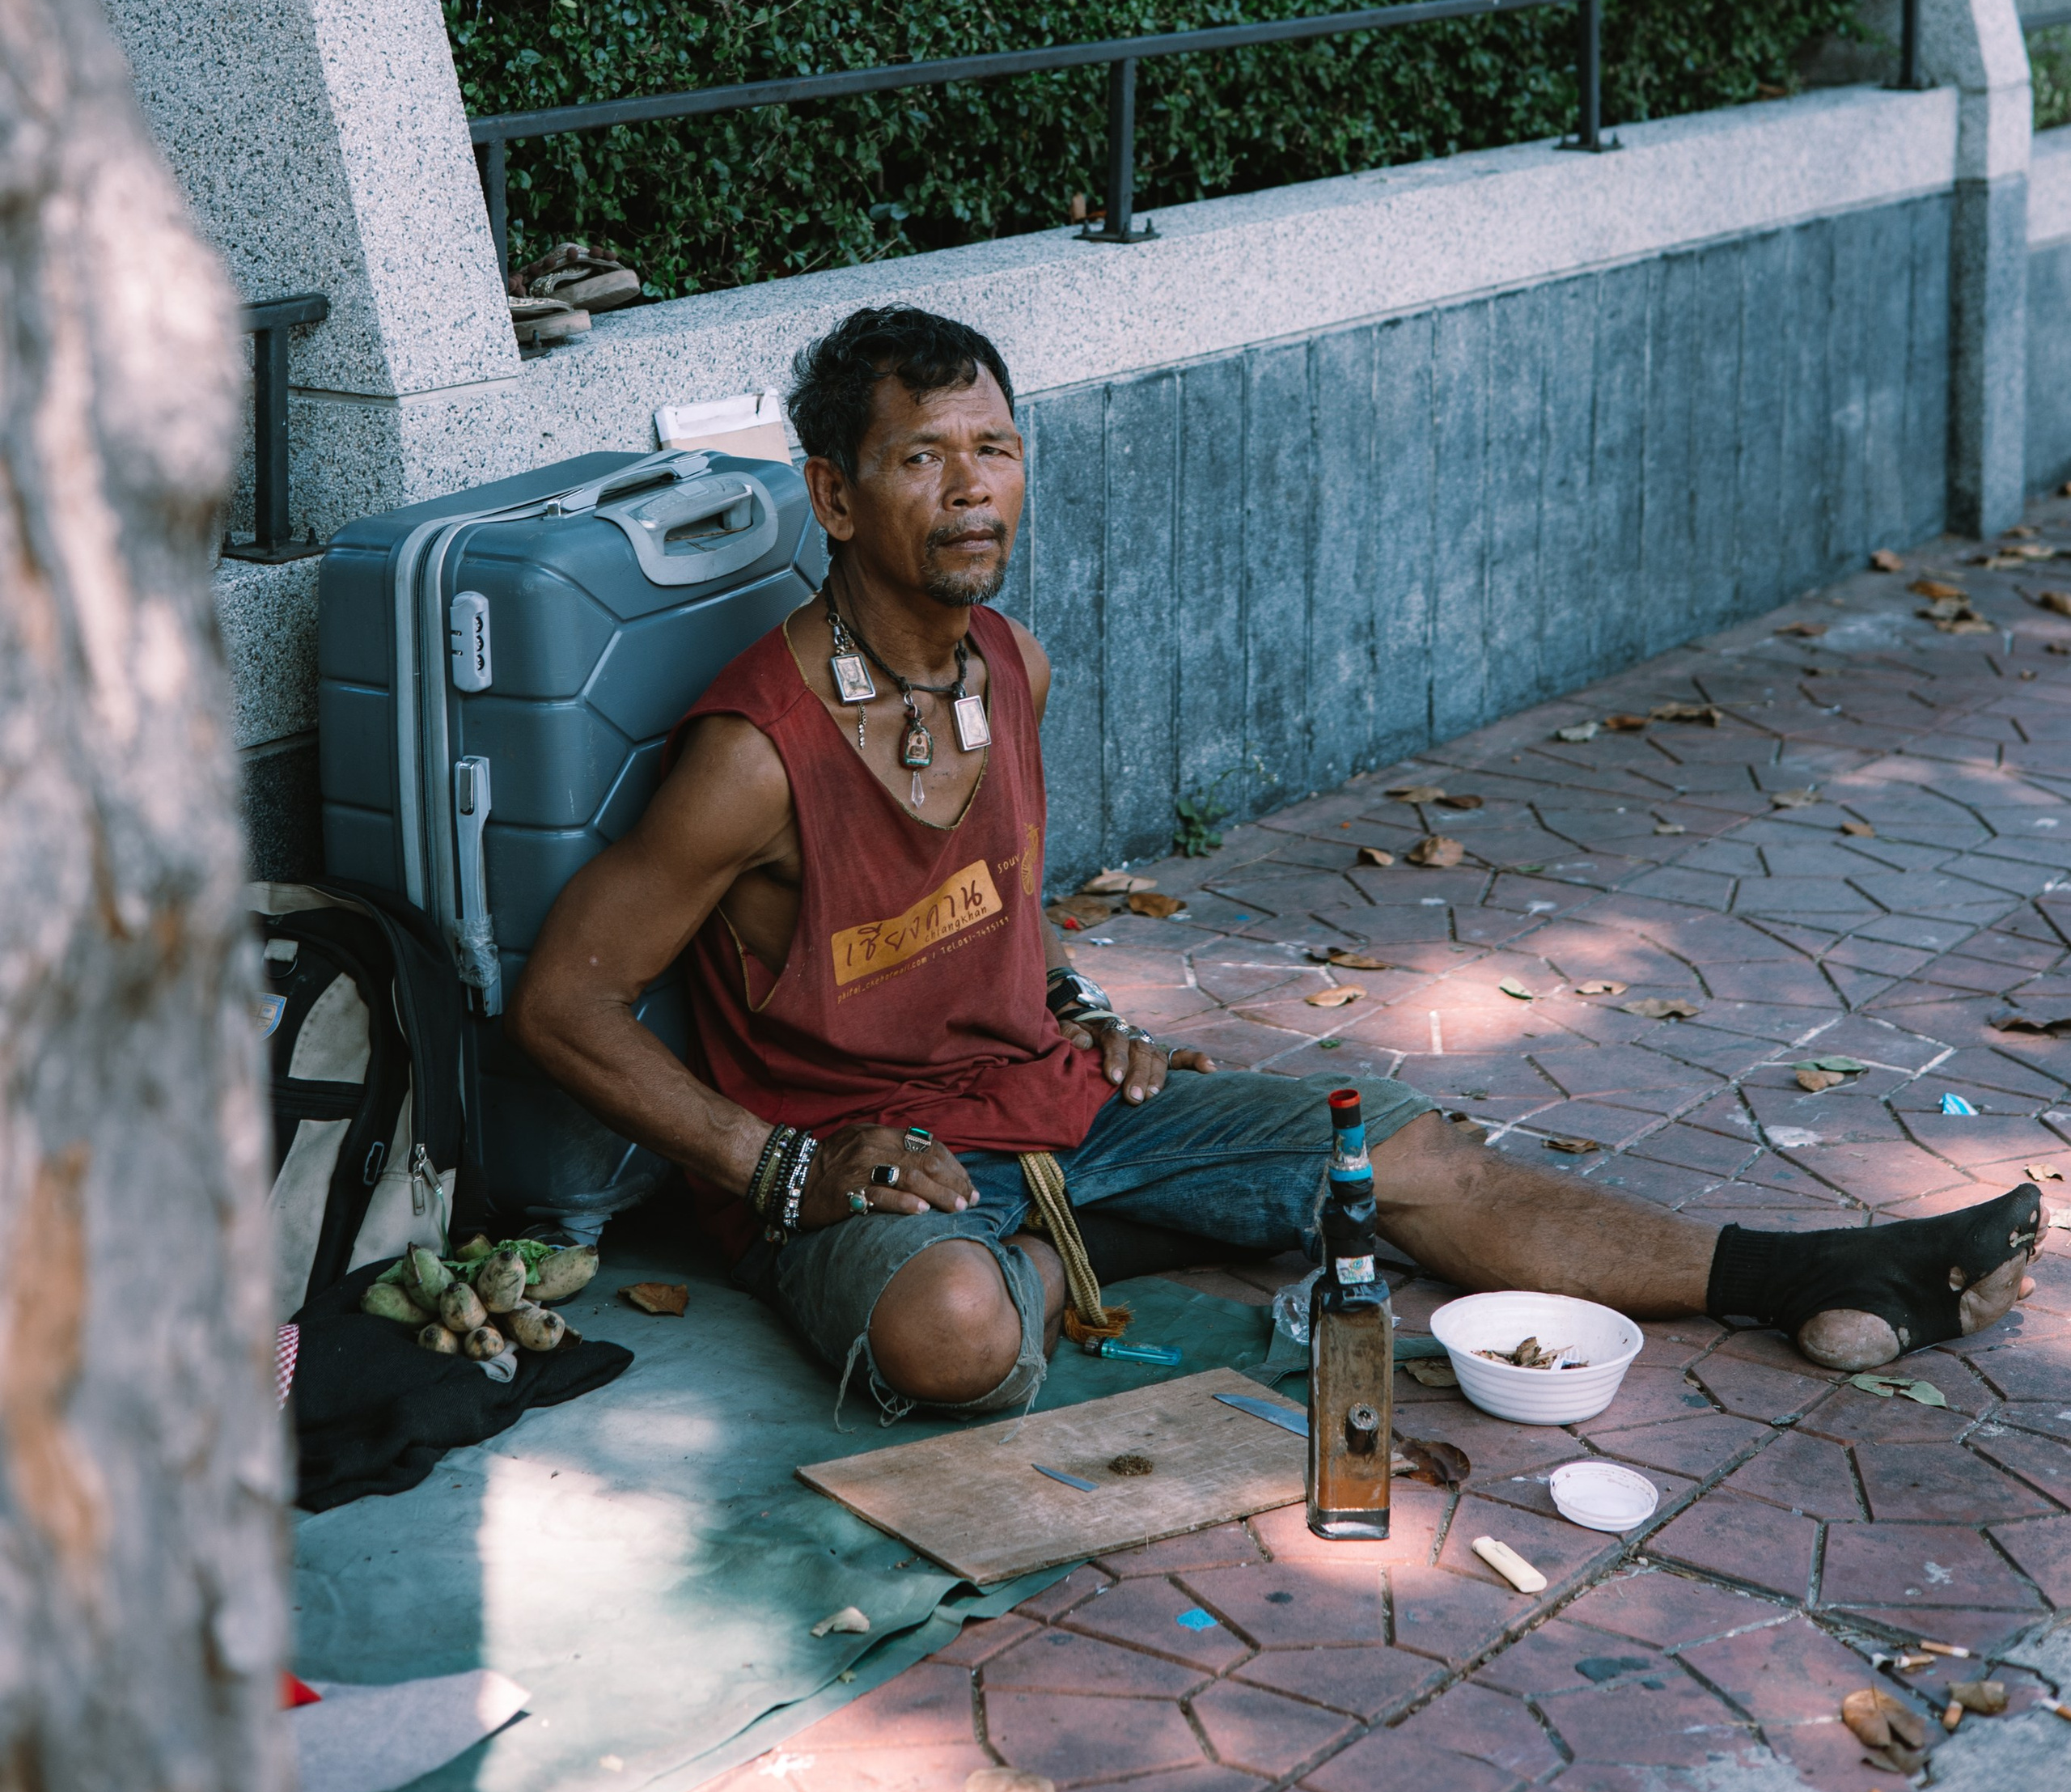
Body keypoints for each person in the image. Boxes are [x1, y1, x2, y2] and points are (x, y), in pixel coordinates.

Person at [511, 305, 2039, 1417]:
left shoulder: (1014, 668)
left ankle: (1820, 1270)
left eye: (996, 447)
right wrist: (781, 1166)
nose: (973, 486)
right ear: (836, 497)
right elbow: (561, 1005)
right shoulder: (756, 752)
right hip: (877, 1171)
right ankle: (1081, 1238)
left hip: (1046, 1102)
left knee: (1419, 1156)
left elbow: (997, 897)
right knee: (958, 1337)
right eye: (923, 457)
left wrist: (1071, 993)